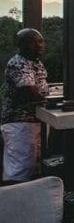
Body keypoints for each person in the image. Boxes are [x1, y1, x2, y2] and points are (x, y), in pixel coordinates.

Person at [1, 29, 48, 181]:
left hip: (32, 123)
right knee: (19, 170)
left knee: (30, 169)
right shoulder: (18, 63)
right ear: (22, 45)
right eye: (34, 42)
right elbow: (29, 92)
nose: (40, 45)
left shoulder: (36, 62)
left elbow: (40, 89)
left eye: (41, 41)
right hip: (18, 123)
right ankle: (11, 203)